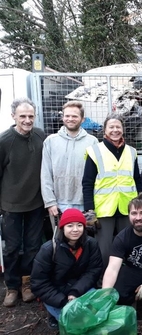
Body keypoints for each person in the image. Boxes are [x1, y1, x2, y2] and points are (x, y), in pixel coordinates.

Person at [0, 98, 45, 307]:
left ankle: (27, 283)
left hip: (35, 203)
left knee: (33, 246)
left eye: (30, 116)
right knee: (11, 247)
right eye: (23, 116)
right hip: (11, 205)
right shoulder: (4, 141)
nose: (27, 120)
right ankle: (11, 286)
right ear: (13, 117)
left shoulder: (40, 137)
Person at [82, 114, 142, 269]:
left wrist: (140, 204)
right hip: (104, 209)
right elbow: (87, 182)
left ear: (123, 129)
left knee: (129, 246)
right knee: (104, 249)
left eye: (118, 127)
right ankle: (103, 282)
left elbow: (136, 179)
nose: (115, 130)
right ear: (105, 131)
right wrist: (89, 210)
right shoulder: (95, 152)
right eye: (111, 127)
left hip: (127, 207)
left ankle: (126, 280)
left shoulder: (131, 152)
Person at [31, 209, 103, 329]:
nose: (75, 229)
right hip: (57, 293)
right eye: (70, 226)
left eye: (79, 225)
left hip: (81, 289)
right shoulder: (48, 249)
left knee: (97, 318)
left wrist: (75, 292)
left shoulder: (91, 244)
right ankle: (53, 313)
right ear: (62, 228)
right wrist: (63, 301)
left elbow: (93, 271)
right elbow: (38, 283)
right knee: (77, 324)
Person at [41, 101, 98, 215]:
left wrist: (91, 203)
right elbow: (46, 173)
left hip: (84, 203)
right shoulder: (51, 141)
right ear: (63, 117)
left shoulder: (92, 142)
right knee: (60, 233)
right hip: (58, 203)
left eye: (74, 116)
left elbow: (96, 175)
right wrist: (50, 202)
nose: (70, 119)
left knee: (83, 233)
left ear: (82, 119)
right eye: (67, 116)